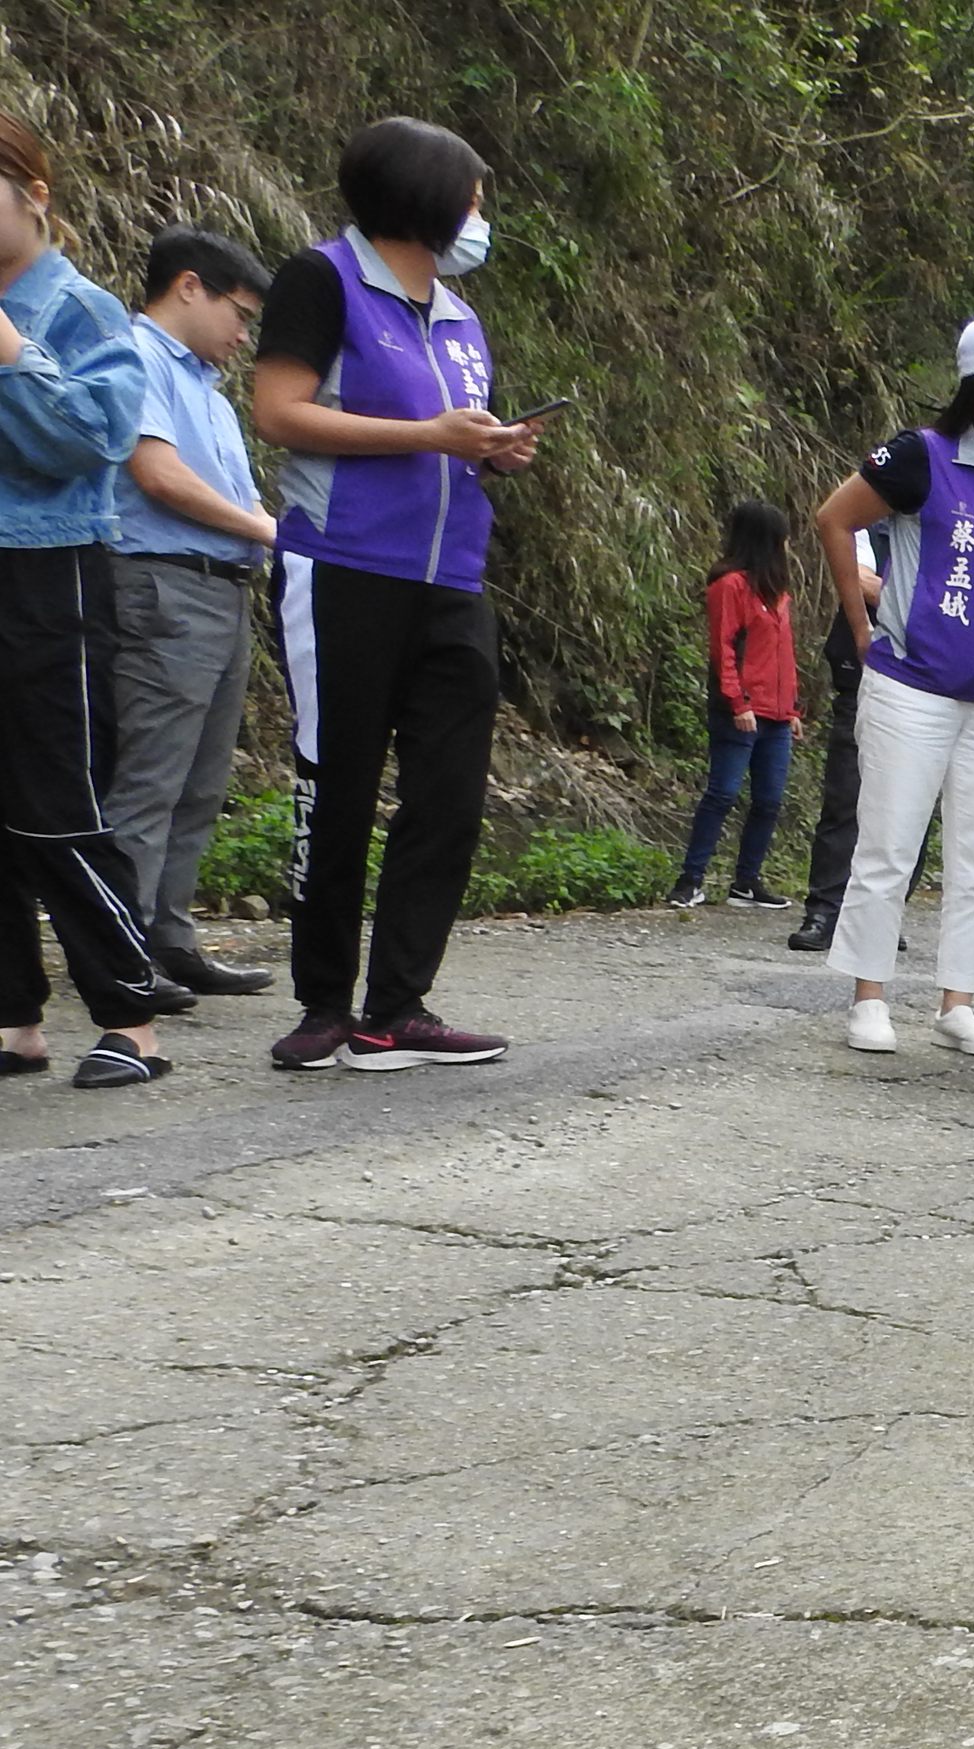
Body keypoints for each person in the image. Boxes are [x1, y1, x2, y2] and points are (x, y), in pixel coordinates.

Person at [252, 116, 546, 1073]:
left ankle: (398, 1007)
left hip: (453, 580)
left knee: (451, 795)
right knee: (334, 789)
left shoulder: (461, 316)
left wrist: (492, 450)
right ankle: (325, 1004)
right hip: (342, 567)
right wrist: (430, 435)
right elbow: (280, 413)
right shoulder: (321, 279)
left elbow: (454, 435)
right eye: (472, 194)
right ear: (423, 197)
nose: (480, 213)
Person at [814, 310, 974, 1056]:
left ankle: (958, 1001)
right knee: (890, 843)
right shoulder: (919, 457)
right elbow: (835, 519)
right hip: (912, 685)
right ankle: (869, 996)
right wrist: (865, 633)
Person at [0, 111, 185, 1091]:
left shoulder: (80, 310)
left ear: (36, 192)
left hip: (50, 570)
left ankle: (131, 1020)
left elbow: (90, 441)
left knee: (57, 803)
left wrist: (7, 352)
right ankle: (14, 1021)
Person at [109, 226, 277, 1001]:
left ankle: (168, 937)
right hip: (162, 584)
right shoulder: (135, 357)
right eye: (238, 313)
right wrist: (268, 528)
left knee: (201, 781)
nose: (244, 335)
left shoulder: (205, 389)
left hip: (219, 591)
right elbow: (158, 476)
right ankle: (118, 949)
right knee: (151, 777)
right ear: (186, 287)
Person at [667, 499, 799, 910]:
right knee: (722, 794)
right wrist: (736, 700)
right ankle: (689, 880)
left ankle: (747, 882)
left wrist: (793, 708)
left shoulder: (778, 592)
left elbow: (784, 654)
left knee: (769, 800)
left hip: (776, 714)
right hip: (740, 710)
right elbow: (722, 647)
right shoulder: (731, 586)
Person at [789, 522, 881, 954]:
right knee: (845, 794)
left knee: (909, 804)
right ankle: (824, 908)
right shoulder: (872, 522)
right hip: (863, 672)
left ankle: (882, 913)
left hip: (932, 679)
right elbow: (859, 579)